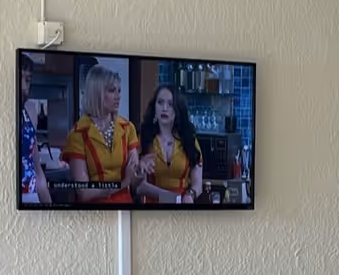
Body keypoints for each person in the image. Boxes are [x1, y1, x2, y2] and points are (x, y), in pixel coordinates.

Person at [60, 63, 141, 203]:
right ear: (97, 93)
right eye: (112, 90)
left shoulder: (127, 128)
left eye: (119, 91)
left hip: (125, 208)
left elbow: (134, 180)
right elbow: (84, 192)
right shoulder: (78, 134)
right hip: (94, 214)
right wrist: (122, 184)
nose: (118, 96)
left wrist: (140, 172)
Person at [135, 84, 204, 204]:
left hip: (182, 205)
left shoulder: (189, 140)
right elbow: (140, 187)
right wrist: (169, 197)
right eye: (160, 102)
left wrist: (190, 195)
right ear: (154, 107)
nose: (164, 108)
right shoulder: (144, 139)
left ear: (178, 109)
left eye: (170, 104)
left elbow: (197, 185)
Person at [18, 60, 52, 206]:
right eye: (20, 79)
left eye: (28, 79)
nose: (25, 86)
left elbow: (36, 168)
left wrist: (49, 205)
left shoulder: (30, 111)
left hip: (31, 197)